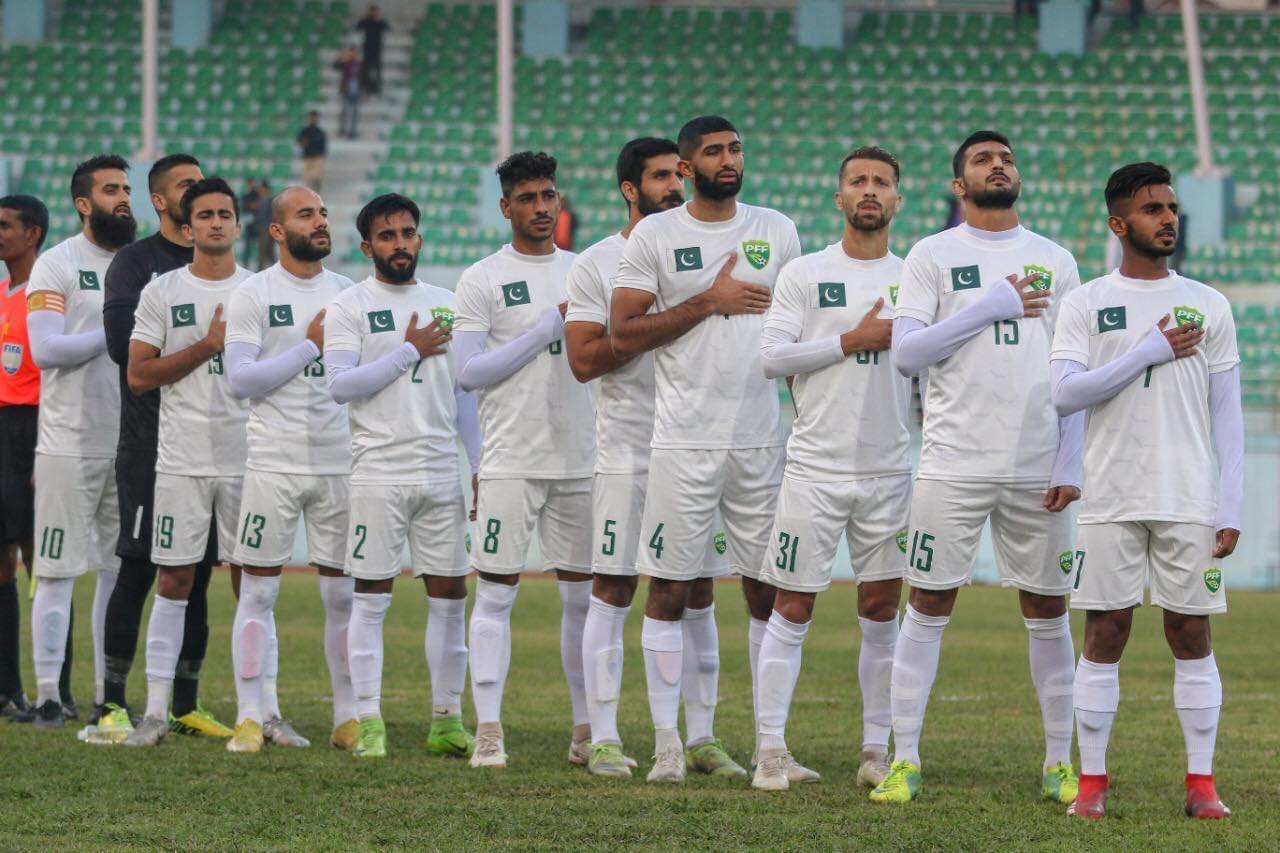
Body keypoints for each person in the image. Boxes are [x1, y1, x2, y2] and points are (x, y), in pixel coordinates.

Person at [871, 130, 1084, 805]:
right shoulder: (933, 255)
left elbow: (1072, 371)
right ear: (959, 186)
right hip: (953, 461)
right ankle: (904, 759)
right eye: (983, 161)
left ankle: (1059, 762)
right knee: (928, 601)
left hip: (1035, 463)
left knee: (1048, 609)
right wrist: (990, 305)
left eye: (1008, 158)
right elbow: (907, 354)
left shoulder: (1056, 260)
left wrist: (1069, 457)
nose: (1000, 165)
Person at [611, 115, 802, 784]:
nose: (729, 159)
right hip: (682, 443)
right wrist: (708, 299)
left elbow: (794, 332)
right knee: (667, 588)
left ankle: (772, 747)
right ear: (687, 168)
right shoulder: (658, 236)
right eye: (714, 152)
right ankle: (668, 744)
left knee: (767, 591)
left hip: (760, 440)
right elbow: (624, 331)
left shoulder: (777, 229)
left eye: (735, 148)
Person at [1051, 162, 1241, 820]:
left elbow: (1228, 417)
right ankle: (1094, 783)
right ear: (1118, 223)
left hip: (1188, 495)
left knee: (1191, 632)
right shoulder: (1084, 303)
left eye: (1171, 207)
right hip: (1110, 494)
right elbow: (1065, 393)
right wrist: (1146, 350)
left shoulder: (1210, 304)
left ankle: (1201, 783)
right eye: (1152, 208)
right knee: (1106, 629)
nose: (1167, 218)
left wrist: (1231, 503)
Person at [564, 137, 728, 778]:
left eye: (678, 174)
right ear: (630, 189)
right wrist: (665, 319)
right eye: (660, 176)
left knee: (697, 591)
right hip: (629, 451)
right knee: (613, 587)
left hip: (696, 447)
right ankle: (602, 735)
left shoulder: (716, 252)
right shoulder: (599, 264)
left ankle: (703, 735)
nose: (674, 185)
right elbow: (583, 361)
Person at [752, 146, 910, 791]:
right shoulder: (805, 274)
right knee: (792, 606)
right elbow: (770, 358)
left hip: (889, 470)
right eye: (857, 182)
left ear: (898, 200)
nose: (869, 191)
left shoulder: (916, 275)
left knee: (881, 608)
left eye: (881, 183)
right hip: (814, 469)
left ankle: (876, 751)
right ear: (838, 198)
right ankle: (769, 751)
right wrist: (852, 340)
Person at [452, 152, 596, 769]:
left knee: (585, 601)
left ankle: (587, 728)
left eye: (549, 195)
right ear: (507, 205)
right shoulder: (482, 278)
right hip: (510, 457)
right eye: (529, 197)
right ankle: (488, 728)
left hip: (585, 458)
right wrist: (542, 331)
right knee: (495, 594)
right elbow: (466, 372)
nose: (542, 207)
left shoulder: (587, 272)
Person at [324, 193, 481, 759]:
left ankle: (446, 720)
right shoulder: (350, 306)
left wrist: (479, 465)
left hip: (440, 470)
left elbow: (465, 395)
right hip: (378, 473)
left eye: (407, 233)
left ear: (419, 239)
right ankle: (368, 720)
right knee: (370, 598)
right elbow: (340, 386)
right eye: (386, 236)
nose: (399, 244)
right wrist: (408, 352)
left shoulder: (449, 303)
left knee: (449, 597)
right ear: (368, 246)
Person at [91, 153, 233, 742]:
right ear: (161, 201)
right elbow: (127, 354)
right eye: (186, 186)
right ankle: (112, 703)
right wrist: (203, 346)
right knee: (139, 566)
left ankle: (185, 703)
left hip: (214, 448)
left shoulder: (231, 274)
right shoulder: (138, 265)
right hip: (150, 443)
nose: (199, 195)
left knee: (198, 575)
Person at [223, 186, 355, 753]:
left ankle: (349, 719)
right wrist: (308, 347)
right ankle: (251, 715)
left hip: (338, 463)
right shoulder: (253, 294)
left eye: (323, 212)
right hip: (272, 464)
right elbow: (240, 380)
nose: (320, 221)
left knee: (344, 597)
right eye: (307, 214)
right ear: (277, 231)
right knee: (258, 593)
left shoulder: (350, 294)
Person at [121, 178, 251, 746]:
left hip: (251, 462)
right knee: (173, 579)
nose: (216, 222)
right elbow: (138, 374)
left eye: (225, 213)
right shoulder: (162, 291)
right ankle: (153, 712)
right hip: (181, 461)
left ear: (238, 225)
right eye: (206, 214)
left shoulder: (259, 291)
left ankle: (258, 713)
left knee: (256, 585)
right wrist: (207, 345)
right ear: (188, 225)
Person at [25, 155, 135, 728]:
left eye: (126, 188)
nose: (124, 198)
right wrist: (113, 331)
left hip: (129, 444)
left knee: (117, 575)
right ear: (83, 203)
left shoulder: (139, 267)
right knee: (58, 569)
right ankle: (48, 694)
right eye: (112, 189)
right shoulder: (56, 264)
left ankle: (107, 694)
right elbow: (46, 350)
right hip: (68, 443)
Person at [0, 195, 49, 721]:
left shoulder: (43, 294)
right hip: (1, 428)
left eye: (5, 225)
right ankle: (7, 686)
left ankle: (53, 689)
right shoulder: (1, 293)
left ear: (31, 234)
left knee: (42, 560)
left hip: (34, 428)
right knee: (0, 561)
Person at [355, 5, 388, 96]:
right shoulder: (366, 21)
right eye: (373, 12)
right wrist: (364, 18)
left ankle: (377, 89)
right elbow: (357, 27)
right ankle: (366, 88)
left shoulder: (380, 22)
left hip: (377, 49)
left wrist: (379, 20)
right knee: (366, 70)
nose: (374, 14)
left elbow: (387, 28)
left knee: (377, 70)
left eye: (376, 12)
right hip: (367, 49)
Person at [334, 47, 362, 140]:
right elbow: (335, 66)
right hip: (346, 89)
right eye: (350, 53)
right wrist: (340, 57)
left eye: (353, 53)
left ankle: (352, 131)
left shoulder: (360, 64)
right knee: (344, 110)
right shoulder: (346, 63)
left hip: (356, 90)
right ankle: (342, 129)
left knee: (354, 112)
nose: (352, 55)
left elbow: (364, 77)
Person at [297, 113, 327, 192]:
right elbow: (299, 142)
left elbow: (323, 147)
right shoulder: (304, 131)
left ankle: (316, 194)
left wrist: (321, 157)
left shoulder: (320, 132)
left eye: (314, 117)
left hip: (317, 158)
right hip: (307, 158)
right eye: (311, 117)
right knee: (307, 180)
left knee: (316, 178)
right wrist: (303, 142)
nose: (313, 119)